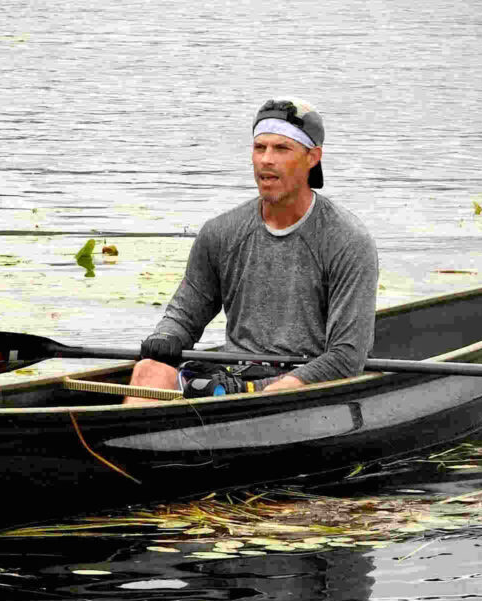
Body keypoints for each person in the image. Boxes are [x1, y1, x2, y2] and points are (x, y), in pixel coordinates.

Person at [126, 98, 378, 402]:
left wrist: (259, 390)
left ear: (312, 157)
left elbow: (347, 357)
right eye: (260, 148)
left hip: (303, 382)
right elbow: (183, 317)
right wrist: (166, 336)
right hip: (233, 377)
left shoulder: (347, 241)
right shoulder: (221, 232)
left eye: (281, 149)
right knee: (148, 370)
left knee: (275, 393)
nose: (266, 160)